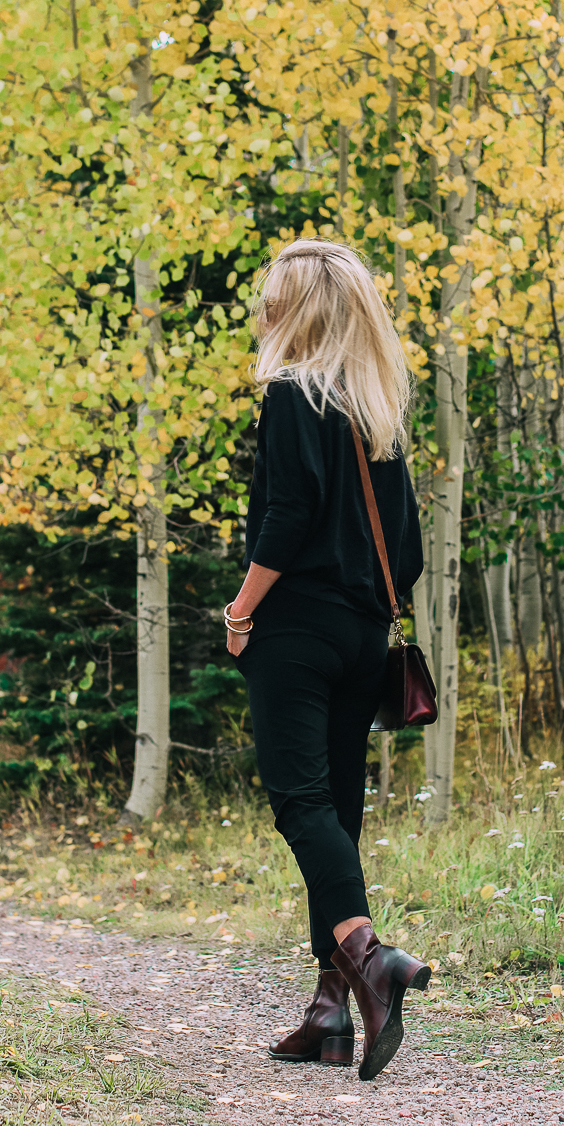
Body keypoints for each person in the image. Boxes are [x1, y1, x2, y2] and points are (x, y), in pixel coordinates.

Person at [224, 238, 429, 1083]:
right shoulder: (374, 415)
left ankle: (367, 957)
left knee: (301, 802)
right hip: (362, 634)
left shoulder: (288, 397)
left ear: (298, 308)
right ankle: (328, 1014)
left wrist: (241, 611)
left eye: (273, 297)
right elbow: (408, 551)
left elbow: (287, 517)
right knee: (338, 810)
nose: (263, 309)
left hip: (297, 628)